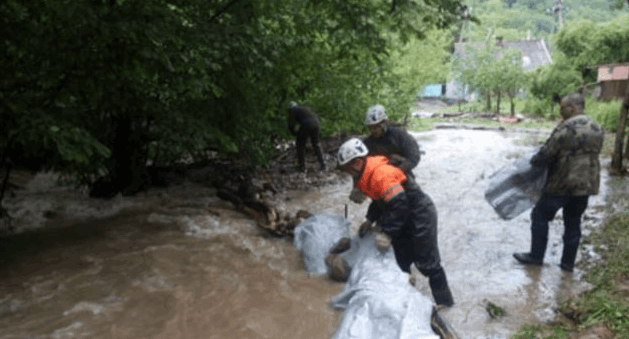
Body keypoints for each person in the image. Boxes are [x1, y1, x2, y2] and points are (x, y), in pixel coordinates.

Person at [337, 138, 454, 307]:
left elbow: (400, 203)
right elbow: (379, 201)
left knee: (427, 263)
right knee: (401, 261)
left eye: (347, 169)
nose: (348, 173)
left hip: (419, 214)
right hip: (400, 215)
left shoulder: (380, 173)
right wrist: (370, 220)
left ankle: (445, 303)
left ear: (356, 163)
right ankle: (406, 300)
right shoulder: (366, 174)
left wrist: (386, 233)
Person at [513, 92, 604, 272]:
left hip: (562, 184)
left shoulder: (566, 128)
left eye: (562, 108)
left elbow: (547, 154)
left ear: (572, 108)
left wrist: (532, 164)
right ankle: (567, 264)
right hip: (586, 185)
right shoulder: (597, 127)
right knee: (574, 222)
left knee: (540, 215)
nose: (560, 112)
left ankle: (536, 257)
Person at [349, 104, 422, 204]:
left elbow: (414, 156)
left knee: (413, 203)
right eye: (370, 127)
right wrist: (357, 188)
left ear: (384, 123)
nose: (373, 130)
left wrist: (396, 171)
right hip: (379, 182)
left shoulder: (399, 135)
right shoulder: (367, 144)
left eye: (376, 127)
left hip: (403, 175)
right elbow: (359, 167)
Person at [287, 102, 326, 172]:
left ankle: (301, 167)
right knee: (316, 144)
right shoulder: (304, 109)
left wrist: (294, 133)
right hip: (316, 124)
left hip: (307, 124)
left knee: (300, 144)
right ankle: (323, 164)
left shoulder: (293, 110)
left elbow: (291, 125)